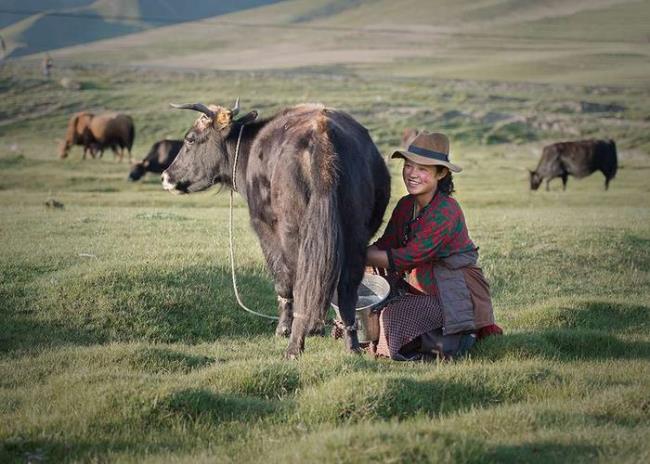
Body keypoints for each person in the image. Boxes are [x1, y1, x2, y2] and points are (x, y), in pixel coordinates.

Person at [365, 131, 502, 361]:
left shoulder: (446, 211)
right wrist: (349, 253)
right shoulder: (406, 205)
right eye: (409, 166)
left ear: (441, 173)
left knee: (391, 317)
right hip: (419, 290)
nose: (412, 174)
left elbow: (409, 256)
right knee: (367, 298)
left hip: (450, 292)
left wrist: (358, 255)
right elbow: (386, 244)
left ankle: (459, 339)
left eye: (422, 169)